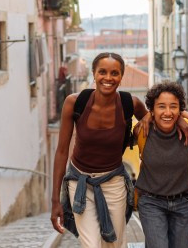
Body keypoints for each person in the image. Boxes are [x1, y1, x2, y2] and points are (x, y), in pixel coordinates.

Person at [50, 52, 148, 247]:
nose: (108, 78)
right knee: (92, 244)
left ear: (121, 77)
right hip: (79, 183)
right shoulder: (75, 103)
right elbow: (61, 152)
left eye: (115, 73)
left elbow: (154, 122)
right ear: (93, 74)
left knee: (114, 244)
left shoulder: (131, 104)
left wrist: (152, 118)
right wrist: (55, 201)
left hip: (114, 183)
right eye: (102, 72)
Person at [134, 81, 188, 248]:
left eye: (174, 107)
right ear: (152, 110)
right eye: (161, 106)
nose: (167, 112)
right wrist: (148, 116)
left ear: (180, 109)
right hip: (151, 202)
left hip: (183, 203)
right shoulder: (142, 131)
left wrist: (183, 118)